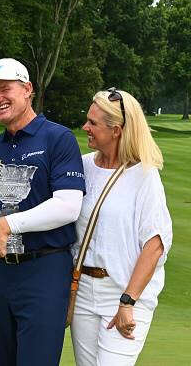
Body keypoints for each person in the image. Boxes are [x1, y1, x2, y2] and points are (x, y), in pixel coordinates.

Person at [0, 58, 86, 366]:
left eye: (4, 89)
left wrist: (8, 224)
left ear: (27, 90)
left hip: (43, 269)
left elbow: (68, 205)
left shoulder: (58, 138)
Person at [70, 88, 173, 366]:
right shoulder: (82, 166)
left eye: (93, 123)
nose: (85, 127)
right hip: (82, 294)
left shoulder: (144, 175)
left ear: (116, 130)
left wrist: (128, 301)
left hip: (123, 296)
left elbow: (155, 244)